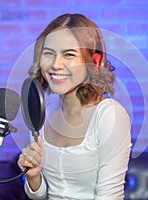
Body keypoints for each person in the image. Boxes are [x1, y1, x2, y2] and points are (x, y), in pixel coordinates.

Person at [17, 13, 132, 200]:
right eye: (48, 53)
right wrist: (34, 177)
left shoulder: (109, 115)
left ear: (93, 61)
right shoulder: (41, 115)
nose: (55, 64)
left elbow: (109, 196)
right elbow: (41, 195)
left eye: (68, 54)